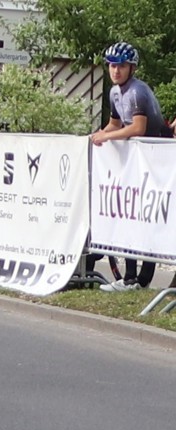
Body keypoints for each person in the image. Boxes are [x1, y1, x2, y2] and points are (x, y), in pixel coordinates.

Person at [90, 42, 172, 292]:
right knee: (130, 217)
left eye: (122, 66)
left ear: (132, 68)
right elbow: (115, 124)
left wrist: (107, 137)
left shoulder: (137, 91)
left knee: (147, 219)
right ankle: (130, 278)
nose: (116, 71)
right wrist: (98, 134)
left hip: (156, 160)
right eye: (112, 66)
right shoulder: (115, 92)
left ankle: (140, 280)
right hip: (135, 163)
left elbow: (137, 127)